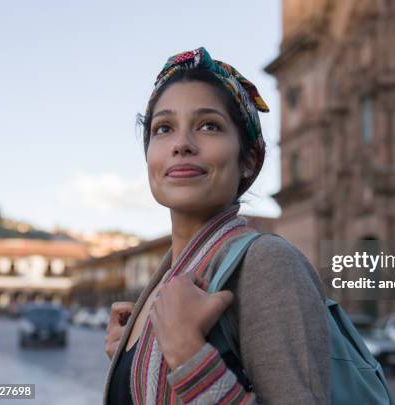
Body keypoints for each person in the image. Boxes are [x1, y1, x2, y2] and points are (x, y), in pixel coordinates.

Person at [102, 47, 330, 405]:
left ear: (248, 160)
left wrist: (190, 356)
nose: (181, 144)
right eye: (163, 128)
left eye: (209, 125)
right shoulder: (163, 283)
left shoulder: (267, 265)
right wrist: (135, 358)